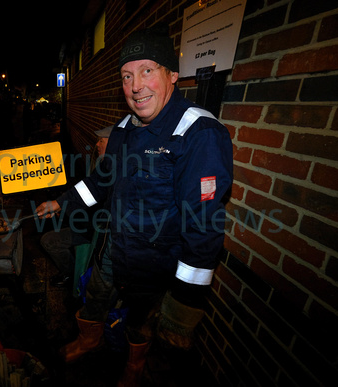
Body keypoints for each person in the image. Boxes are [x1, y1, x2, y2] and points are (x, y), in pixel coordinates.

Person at [36, 24, 233, 386]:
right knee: (94, 296)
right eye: (127, 76)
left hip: (158, 266)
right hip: (116, 248)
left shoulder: (199, 134)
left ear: (172, 75)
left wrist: (184, 302)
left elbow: (203, 227)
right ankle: (88, 340)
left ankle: (134, 367)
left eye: (147, 71)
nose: (136, 86)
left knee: (141, 322)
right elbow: (100, 183)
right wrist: (61, 202)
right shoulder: (125, 128)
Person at [40, 125, 113, 289]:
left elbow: (94, 202)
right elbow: (87, 193)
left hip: (95, 231)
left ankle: (73, 278)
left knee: (49, 241)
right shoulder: (104, 165)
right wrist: (62, 207)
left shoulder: (113, 168)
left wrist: (62, 207)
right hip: (90, 226)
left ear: (113, 143)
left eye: (101, 141)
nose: (97, 145)